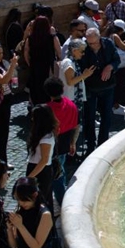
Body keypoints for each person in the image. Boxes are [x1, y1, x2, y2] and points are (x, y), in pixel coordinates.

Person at [79, 28, 119, 155]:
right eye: (89, 43)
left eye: (94, 43)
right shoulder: (84, 47)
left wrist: (110, 66)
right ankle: (90, 145)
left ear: (99, 39)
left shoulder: (108, 44)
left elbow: (116, 60)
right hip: (90, 87)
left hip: (107, 86)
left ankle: (103, 144)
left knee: (106, 115)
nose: (92, 46)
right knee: (89, 117)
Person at [44, 77, 78, 207]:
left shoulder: (47, 109)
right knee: (60, 170)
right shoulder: (71, 105)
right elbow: (76, 126)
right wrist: (73, 143)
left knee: (55, 175)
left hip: (51, 145)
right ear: (62, 89)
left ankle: (62, 202)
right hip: (65, 144)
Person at [6, 177, 53, 248]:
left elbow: (36, 247)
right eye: (18, 199)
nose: (21, 203)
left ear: (35, 195)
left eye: (24, 200)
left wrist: (20, 226)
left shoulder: (44, 215)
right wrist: (9, 229)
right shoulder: (21, 212)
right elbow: (14, 245)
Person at [25, 104, 57, 216]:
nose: (32, 119)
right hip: (36, 169)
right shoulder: (42, 134)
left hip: (40, 172)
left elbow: (44, 160)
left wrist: (29, 177)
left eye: (34, 117)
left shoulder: (46, 138)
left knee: (40, 200)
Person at [23, 16, 61, 105]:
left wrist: (30, 63)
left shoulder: (30, 38)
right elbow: (59, 51)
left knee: (36, 86)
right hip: (48, 66)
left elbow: (26, 52)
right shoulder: (52, 37)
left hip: (35, 65)